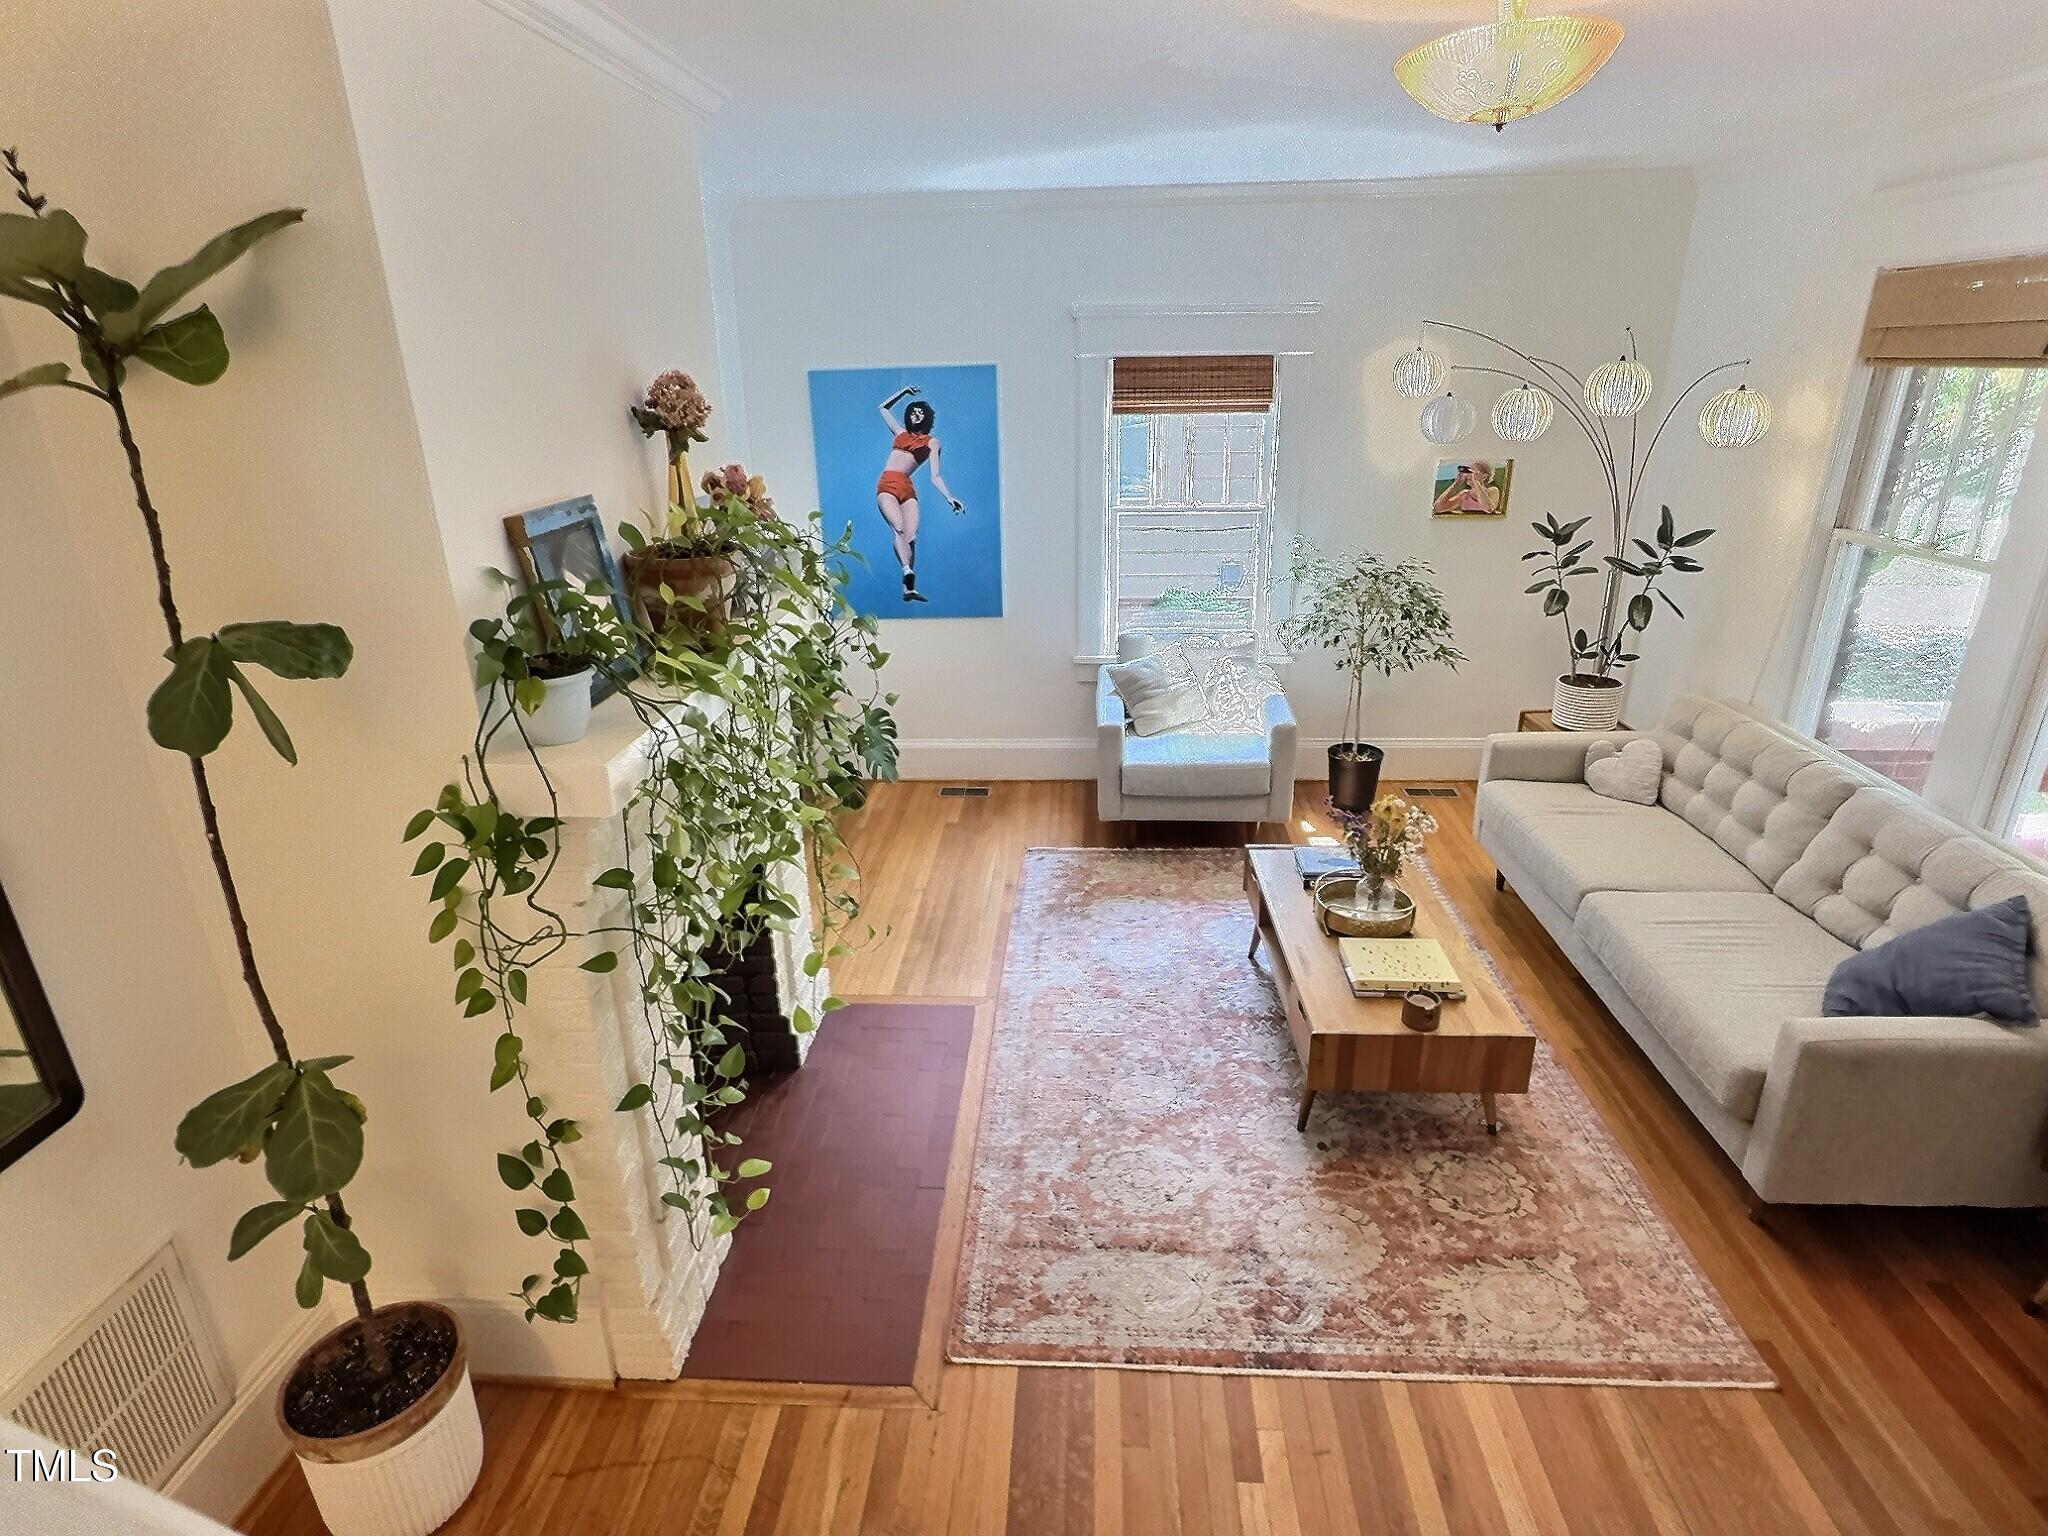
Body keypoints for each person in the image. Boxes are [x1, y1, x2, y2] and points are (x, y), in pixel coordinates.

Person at [876, 385, 964, 602]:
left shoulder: (932, 442)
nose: (916, 415)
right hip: (888, 483)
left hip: (907, 487)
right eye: (913, 412)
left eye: (921, 413)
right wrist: (904, 392)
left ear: (926, 419)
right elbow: (882, 408)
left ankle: (909, 588)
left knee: (912, 536)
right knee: (898, 528)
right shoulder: (900, 433)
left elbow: (935, 476)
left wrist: (949, 497)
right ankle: (907, 570)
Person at [1433, 460, 1500, 516]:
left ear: (1484, 477)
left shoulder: (1492, 491)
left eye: (1473, 472)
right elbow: (1438, 508)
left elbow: (1489, 509)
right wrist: (1456, 483)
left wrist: (1476, 483)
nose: (1469, 475)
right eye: (1468, 472)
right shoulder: (1465, 495)